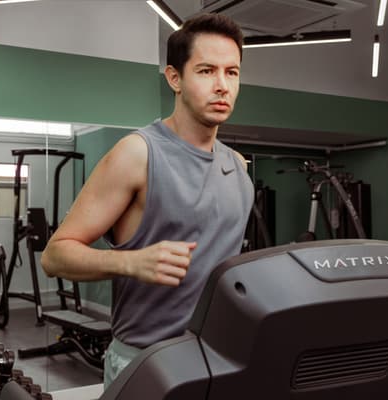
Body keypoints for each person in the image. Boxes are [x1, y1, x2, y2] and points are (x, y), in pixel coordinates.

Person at [40, 13, 254, 388]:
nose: (222, 86)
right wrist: (131, 262)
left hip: (216, 360)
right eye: (206, 71)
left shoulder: (237, 166)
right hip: (146, 362)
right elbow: (55, 255)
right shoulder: (137, 154)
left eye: (231, 72)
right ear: (175, 78)